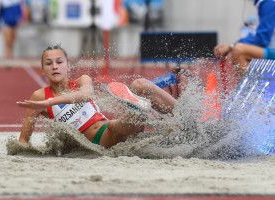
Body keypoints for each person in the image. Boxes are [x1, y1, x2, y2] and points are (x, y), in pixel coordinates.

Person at [17, 45, 176, 148]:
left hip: (116, 128)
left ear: (68, 66)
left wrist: (51, 102)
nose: (55, 66)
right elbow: (23, 140)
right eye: (49, 63)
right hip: (102, 139)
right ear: (43, 69)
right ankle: (138, 110)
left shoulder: (82, 81)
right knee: (115, 125)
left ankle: (185, 115)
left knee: (140, 85)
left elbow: (86, 95)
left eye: (59, 62)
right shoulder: (39, 97)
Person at [214, 0, 275, 76]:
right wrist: (231, 46)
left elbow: (262, 40)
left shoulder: (268, 3)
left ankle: (250, 86)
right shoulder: (264, 3)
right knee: (234, 52)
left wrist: (230, 46)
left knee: (238, 51)